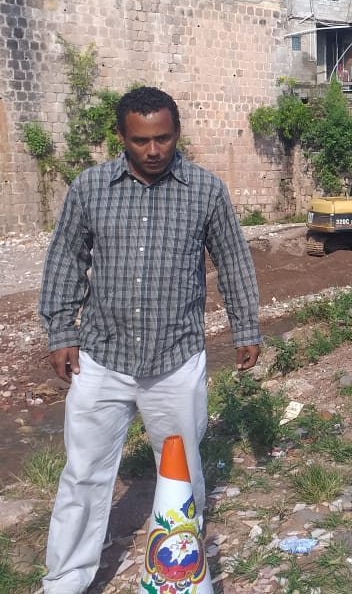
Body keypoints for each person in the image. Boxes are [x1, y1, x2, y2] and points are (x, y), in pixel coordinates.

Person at [38, 86, 262, 594]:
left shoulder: (206, 190)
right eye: (141, 141)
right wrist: (60, 330)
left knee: (181, 473)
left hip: (175, 360)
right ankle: (66, 580)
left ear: (176, 133)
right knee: (84, 475)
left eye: (163, 138)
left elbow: (232, 261)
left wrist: (245, 327)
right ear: (122, 137)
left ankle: (178, 568)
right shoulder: (90, 188)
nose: (154, 150)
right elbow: (66, 260)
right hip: (102, 358)